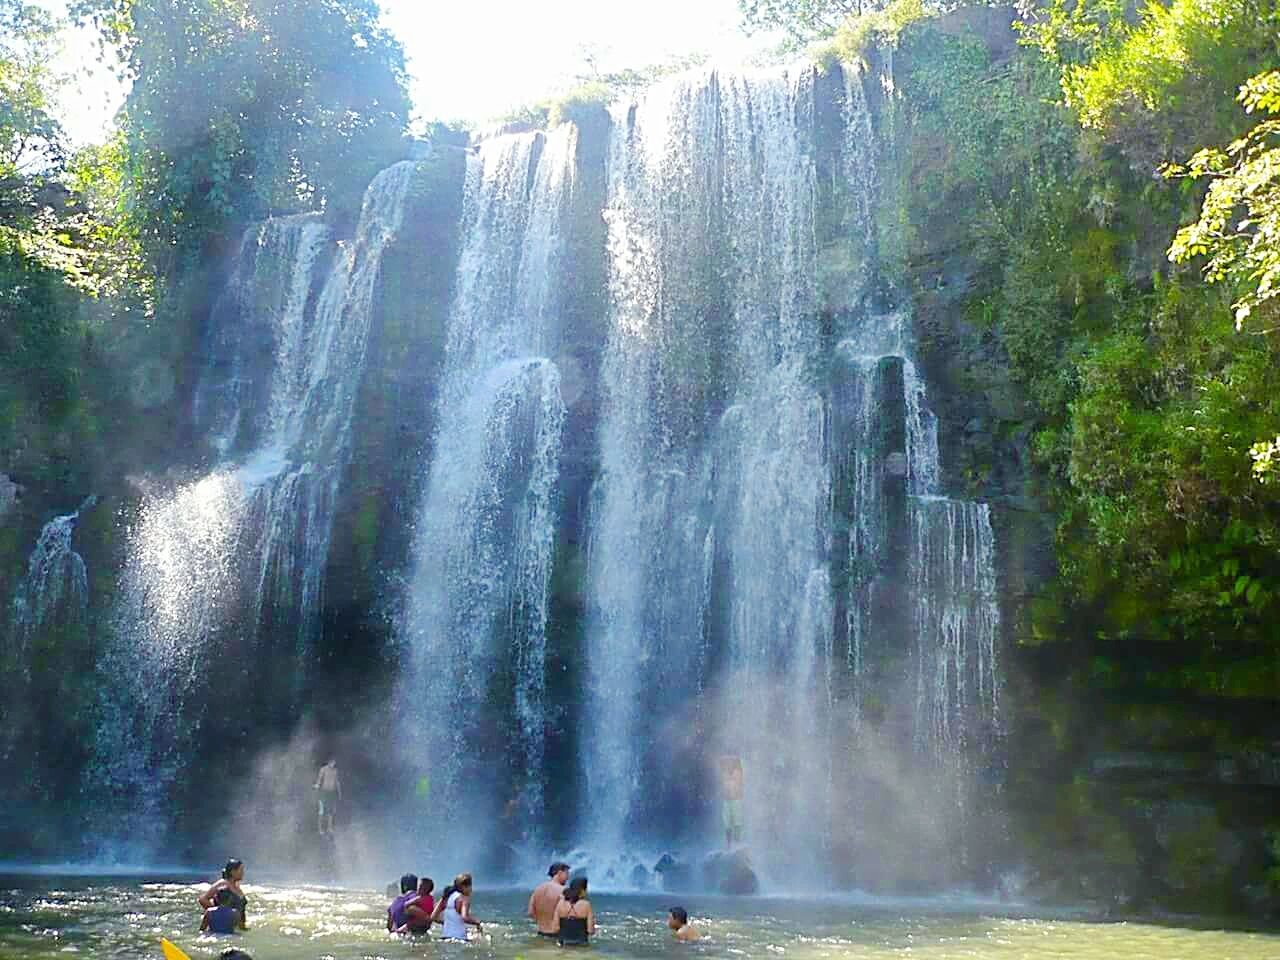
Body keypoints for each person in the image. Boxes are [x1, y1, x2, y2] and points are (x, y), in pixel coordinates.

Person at [197, 859, 248, 931]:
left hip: (238, 927)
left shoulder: (236, 885)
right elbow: (202, 899)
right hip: (226, 927)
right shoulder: (222, 884)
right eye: (241, 870)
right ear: (233, 872)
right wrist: (218, 912)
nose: (243, 873)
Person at [431, 872, 482, 942]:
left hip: (444, 937)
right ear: (464, 887)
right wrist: (477, 922)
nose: (471, 889)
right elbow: (465, 917)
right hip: (459, 938)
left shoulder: (445, 897)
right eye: (470, 886)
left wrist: (447, 922)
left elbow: (433, 917)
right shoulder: (464, 899)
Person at [527, 861, 569, 937]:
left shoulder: (538, 889)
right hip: (558, 934)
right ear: (559, 873)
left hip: (541, 933)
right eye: (566, 874)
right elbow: (568, 913)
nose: (568, 878)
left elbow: (530, 912)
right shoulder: (564, 890)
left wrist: (542, 922)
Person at [553, 876, 595, 947]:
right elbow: (590, 930)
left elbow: (555, 928)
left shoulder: (560, 904)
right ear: (582, 890)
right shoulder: (586, 905)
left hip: (563, 944)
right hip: (581, 944)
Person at [720, 756, 744, 848]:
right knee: (727, 824)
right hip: (727, 800)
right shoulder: (724, 772)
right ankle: (729, 844)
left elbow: (740, 781)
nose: (729, 763)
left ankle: (737, 843)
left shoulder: (738, 772)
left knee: (737, 822)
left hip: (736, 800)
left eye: (731, 762)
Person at [314, 757, 341, 836]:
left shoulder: (335, 771)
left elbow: (337, 782)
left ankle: (329, 828)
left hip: (331, 793)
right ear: (329, 762)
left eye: (334, 762)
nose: (333, 763)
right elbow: (319, 779)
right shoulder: (323, 769)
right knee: (322, 811)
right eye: (332, 762)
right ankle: (320, 829)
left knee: (330, 811)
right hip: (324, 793)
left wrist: (339, 792)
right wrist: (317, 785)